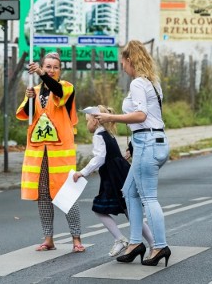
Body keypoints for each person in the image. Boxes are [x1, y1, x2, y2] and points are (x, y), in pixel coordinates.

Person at [94, 40, 171, 267]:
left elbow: (140, 116)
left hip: (147, 142)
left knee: (148, 197)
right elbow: (151, 118)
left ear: (130, 60)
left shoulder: (138, 83)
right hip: (152, 141)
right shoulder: (153, 83)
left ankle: (159, 246)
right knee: (129, 192)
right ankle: (136, 243)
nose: (123, 67)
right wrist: (132, 147)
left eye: (123, 63)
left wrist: (110, 118)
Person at [16, 52, 85, 253]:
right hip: (39, 155)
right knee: (44, 196)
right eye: (48, 66)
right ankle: (48, 239)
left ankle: (76, 239)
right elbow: (29, 115)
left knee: (66, 196)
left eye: (55, 67)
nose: (51, 70)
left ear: (60, 70)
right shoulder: (34, 90)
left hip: (60, 155)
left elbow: (57, 91)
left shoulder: (66, 88)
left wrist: (40, 73)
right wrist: (29, 100)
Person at [73, 105, 155, 257]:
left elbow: (99, 158)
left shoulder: (99, 135)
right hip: (120, 173)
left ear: (96, 121)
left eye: (87, 121)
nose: (87, 125)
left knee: (100, 208)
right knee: (131, 211)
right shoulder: (107, 133)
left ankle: (120, 239)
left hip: (113, 177)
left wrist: (82, 172)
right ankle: (153, 244)